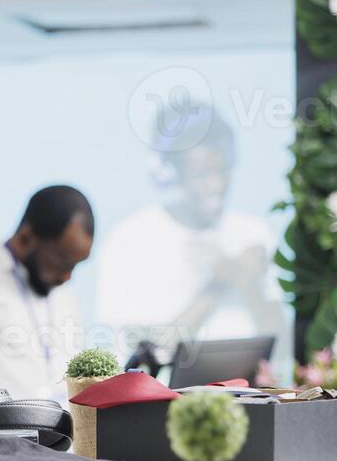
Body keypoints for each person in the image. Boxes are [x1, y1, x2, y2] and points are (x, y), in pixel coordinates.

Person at [96, 102, 285, 357]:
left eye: (222, 170)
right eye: (200, 175)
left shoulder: (253, 233)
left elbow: (282, 347)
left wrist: (250, 284)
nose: (216, 185)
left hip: (254, 395)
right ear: (168, 174)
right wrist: (218, 283)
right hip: (168, 397)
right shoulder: (132, 239)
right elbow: (142, 358)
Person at [0, 185, 93, 402]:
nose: (67, 277)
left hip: (63, 436)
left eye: (76, 266)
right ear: (25, 238)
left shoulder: (65, 294)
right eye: (62, 262)